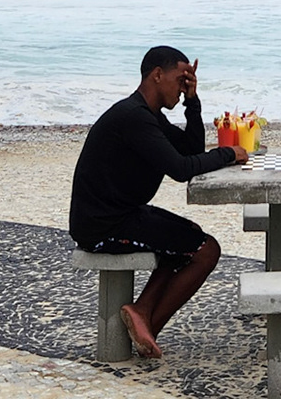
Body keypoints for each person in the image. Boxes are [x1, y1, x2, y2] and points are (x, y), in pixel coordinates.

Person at [68, 45, 250, 359]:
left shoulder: (148, 116)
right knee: (205, 250)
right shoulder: (133, 118)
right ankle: (146, 325)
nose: (183, 88)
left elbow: (190, 150)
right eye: (181, 80)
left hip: (120, 213)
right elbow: (181, 169)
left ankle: (142, 315)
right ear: (157, 75)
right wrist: (229, 153)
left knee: (188, 238)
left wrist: (192, 102)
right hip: (102, 225)